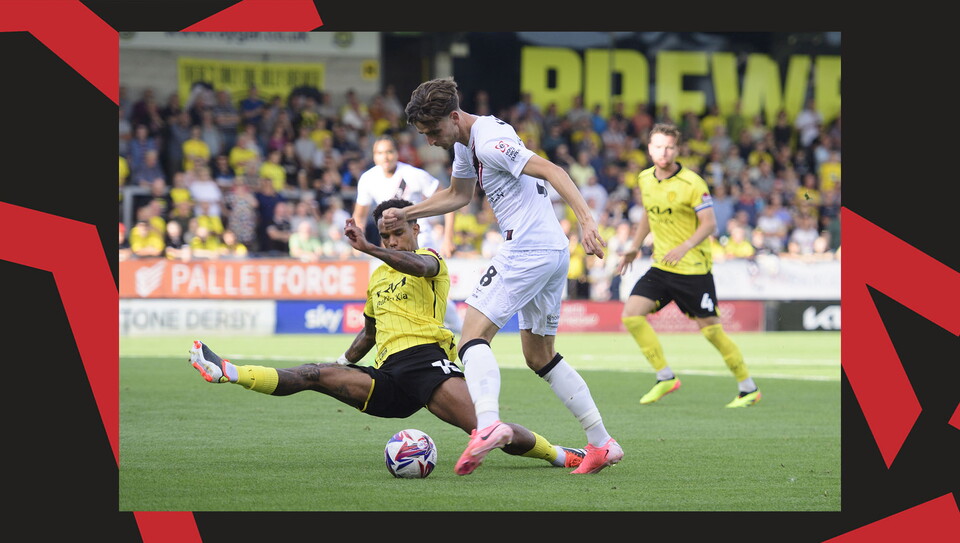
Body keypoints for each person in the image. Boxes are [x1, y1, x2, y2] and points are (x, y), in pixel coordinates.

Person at [189, 198, 587, 472]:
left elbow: (416, 267)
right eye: (385, 237)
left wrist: (369, 249)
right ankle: (229, 372)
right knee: (314, 374)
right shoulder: (378, 277)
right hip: (389, 375)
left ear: (415, 228)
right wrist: (341, 364)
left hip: (429, 365)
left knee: (489, 431)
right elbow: (368, 334)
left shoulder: (430, 261)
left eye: (397, 233)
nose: (392, 241)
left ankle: (559, 455)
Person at [382, 77, 621, 475]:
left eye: (433, 131)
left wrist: (587, 221)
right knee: (539, 356)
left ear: (454, 117)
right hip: (549, 250)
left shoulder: (490, 142)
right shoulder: (466, 142)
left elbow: (553, 170)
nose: (430, 140)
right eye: (424, 134)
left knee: (470, 339)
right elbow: (459, 195)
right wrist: (406, 213)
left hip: (527, 248)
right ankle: (602, 443)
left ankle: (489, 424)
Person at [615, 123, 761, 408]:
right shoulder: (644, 179)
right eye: (659, 147)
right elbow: (648, 214)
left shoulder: (693, 183)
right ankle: (665, 377)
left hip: (693, 269)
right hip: (662, 266)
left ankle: (748, 387)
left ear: (677, 150)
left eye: (669, 147)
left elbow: (709, 224)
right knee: (631, 316)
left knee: (712, 332)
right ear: (649, 149)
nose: (664, 153)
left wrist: (684, 246)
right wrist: (634, 246)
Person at [352, 135, 463, 335]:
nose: (385, 157)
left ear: (397, 153)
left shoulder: (414, 175)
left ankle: (458, 329)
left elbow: (448, 199)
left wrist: (448, 237)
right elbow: (359, 215)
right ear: (374, 156)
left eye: (389, 151)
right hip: (390, 242)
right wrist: (357, 238)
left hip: (419, 238)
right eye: (380, 153)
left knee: (429, 286)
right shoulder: (368, 179)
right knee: (393, 287)